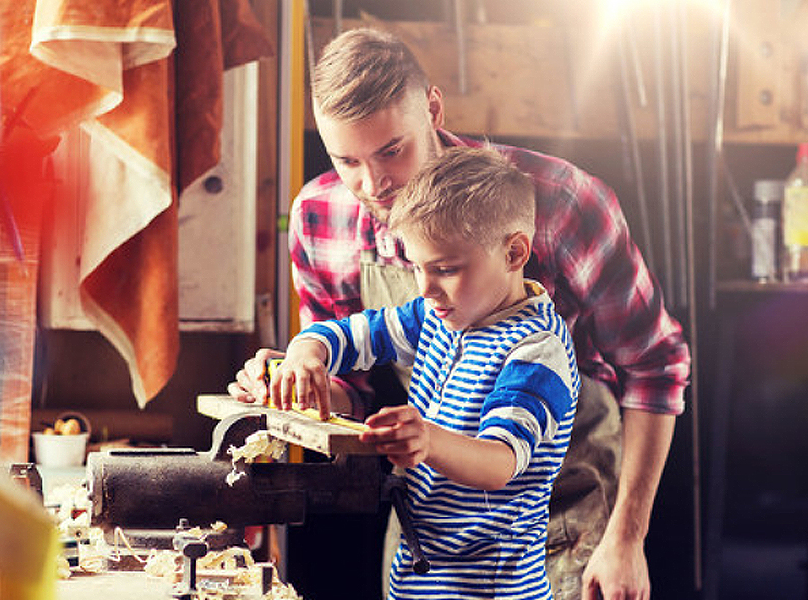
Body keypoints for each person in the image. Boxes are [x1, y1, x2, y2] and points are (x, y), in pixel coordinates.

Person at [229, 28, 691, 600]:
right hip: (430, 532)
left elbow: (654, 367)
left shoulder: (561, 204)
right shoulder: (321, 218)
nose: (374, 185)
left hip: (559, 529)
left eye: (392, 150)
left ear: (432, 108)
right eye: (346, 159)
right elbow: (359, 389)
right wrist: (302, 378)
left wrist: (626, 538)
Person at [269, 145, 580, 599]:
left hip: (486, 589)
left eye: (446, 269)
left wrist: (428, 440)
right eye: (417, 267)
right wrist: (305, 351)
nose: (426, 288)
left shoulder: (535, 351)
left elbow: (499, 463)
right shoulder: (439, 314)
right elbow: (360, 334)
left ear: (514, 252)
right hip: (420, 574)